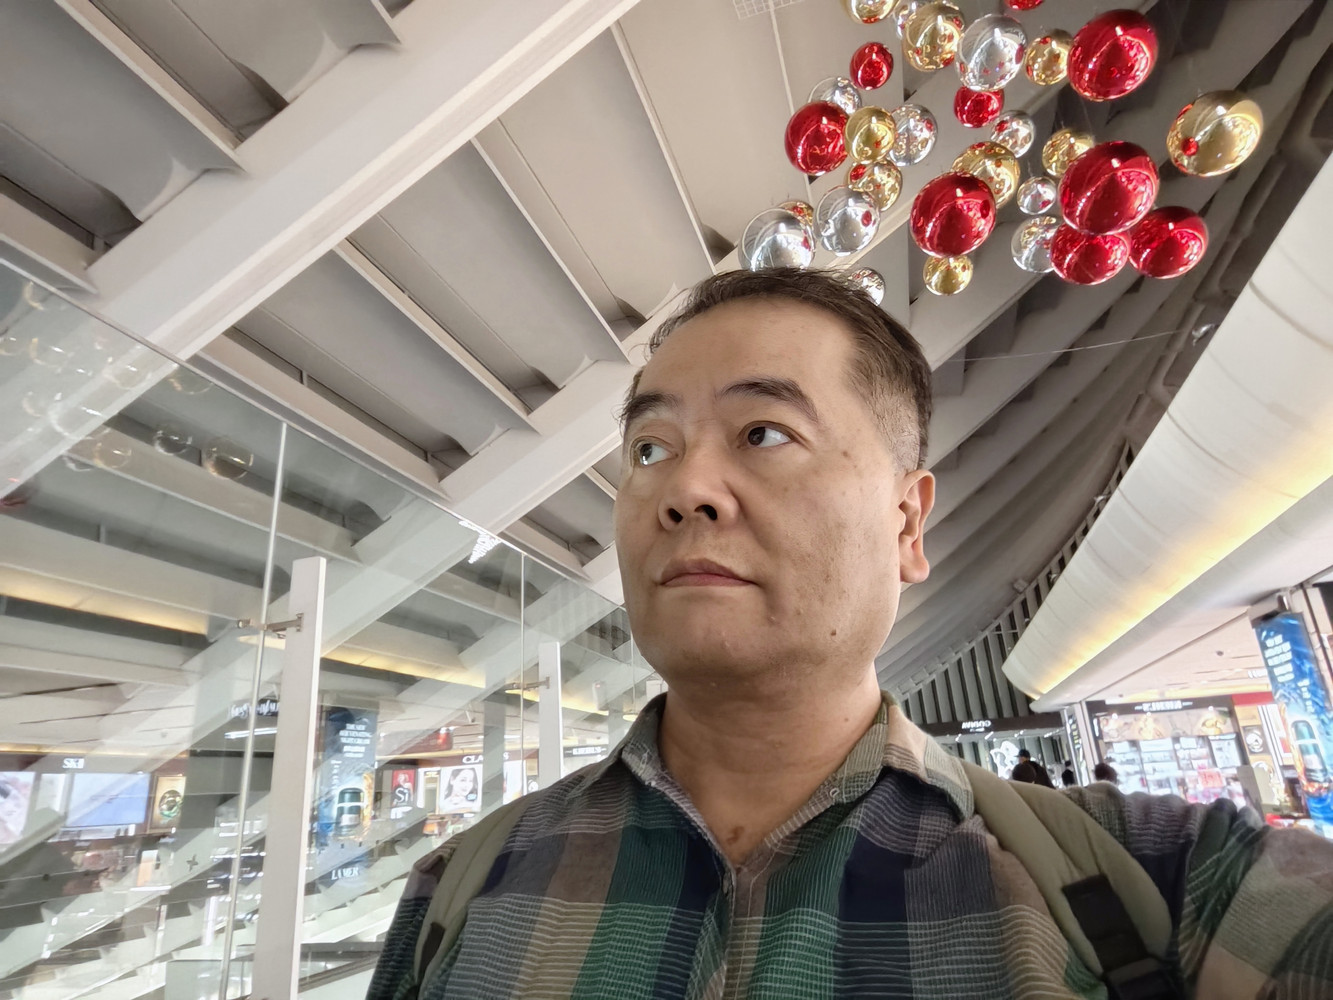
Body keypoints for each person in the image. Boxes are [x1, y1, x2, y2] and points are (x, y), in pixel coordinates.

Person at [369, 268, 1333, 999]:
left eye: (763, 433)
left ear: (906, 523)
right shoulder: (460, 890)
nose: (684, 489)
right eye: (649, 448)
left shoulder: (1162, 886)